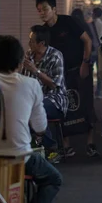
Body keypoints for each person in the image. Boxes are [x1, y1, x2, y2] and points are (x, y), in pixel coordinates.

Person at [0, 35, 62, 203]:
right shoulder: (30, 84)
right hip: (19, 156)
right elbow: (41, 127)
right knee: (53, 178)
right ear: (20, 63)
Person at [36, 0, 100, 159]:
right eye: (39, 10)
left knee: (86, 104)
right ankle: (66, 146)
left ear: (54, 9)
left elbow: (87, 41)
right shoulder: (45, 31)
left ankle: (90, 144)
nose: (42, 13)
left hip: (79, 69)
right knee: (65, 107)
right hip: (60, 75)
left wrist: (85, 63)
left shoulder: (68, 22)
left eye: (45, 9)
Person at [21, 25, 68, 164]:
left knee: (35, 108)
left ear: (41, 43)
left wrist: (35, 70)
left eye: (31, 41)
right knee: (22, 108)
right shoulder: (29, 55)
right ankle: (31, 147)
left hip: (55, 99)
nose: (29, 44)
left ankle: (51, 147)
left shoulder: (56, 55)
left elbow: (54, 84)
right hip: (34, 99)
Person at [92, 7, 102, 98]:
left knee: (89, 70)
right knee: (100, 71)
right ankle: (99, 92)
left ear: (94, 14)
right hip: (101, 49)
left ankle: (90, 90)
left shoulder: (91, 24)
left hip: (92, 49)